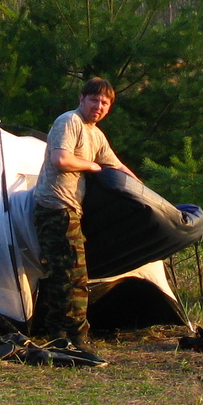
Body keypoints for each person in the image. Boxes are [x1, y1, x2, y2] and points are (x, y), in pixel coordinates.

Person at [30, 77, 135, 345]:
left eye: (105, 102)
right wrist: (92, 166)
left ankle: (57, 334)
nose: (99, 106)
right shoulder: (70, 122)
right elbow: (61, 159)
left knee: (63, 272)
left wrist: (145, 194)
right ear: (81, 99)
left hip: (71, 210)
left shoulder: (96, 134)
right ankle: (75, 336)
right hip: (56, 207)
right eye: (94, 100)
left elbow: (117, 166)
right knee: (73, 274)